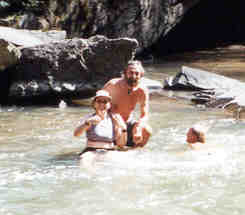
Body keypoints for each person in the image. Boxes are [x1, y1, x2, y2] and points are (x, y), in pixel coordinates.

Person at [102, 60, 152, 148]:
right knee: (119, 133)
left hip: (128, 121)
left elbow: (145, 114)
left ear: (141, 76)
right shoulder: (113, 85)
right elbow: (97, 103)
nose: (133, 76)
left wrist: (139, 127)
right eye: (131, 73)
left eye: (137, 73)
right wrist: (115, 119)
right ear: (125, 73)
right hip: (111, 121)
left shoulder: (142, 90)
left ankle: (133, 151)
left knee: (147, 131)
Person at [74, 90, 127, 158]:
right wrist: (87, 123)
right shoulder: (89, 118)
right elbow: (76, 134)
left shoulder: (115, 119)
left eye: (105, 102)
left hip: (110, 151)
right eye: (99, 101)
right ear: (94, 104)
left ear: (109, 105)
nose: (102, 104)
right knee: (85, 160)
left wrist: (123, 129)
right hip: (91, 151)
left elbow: (121, 144)